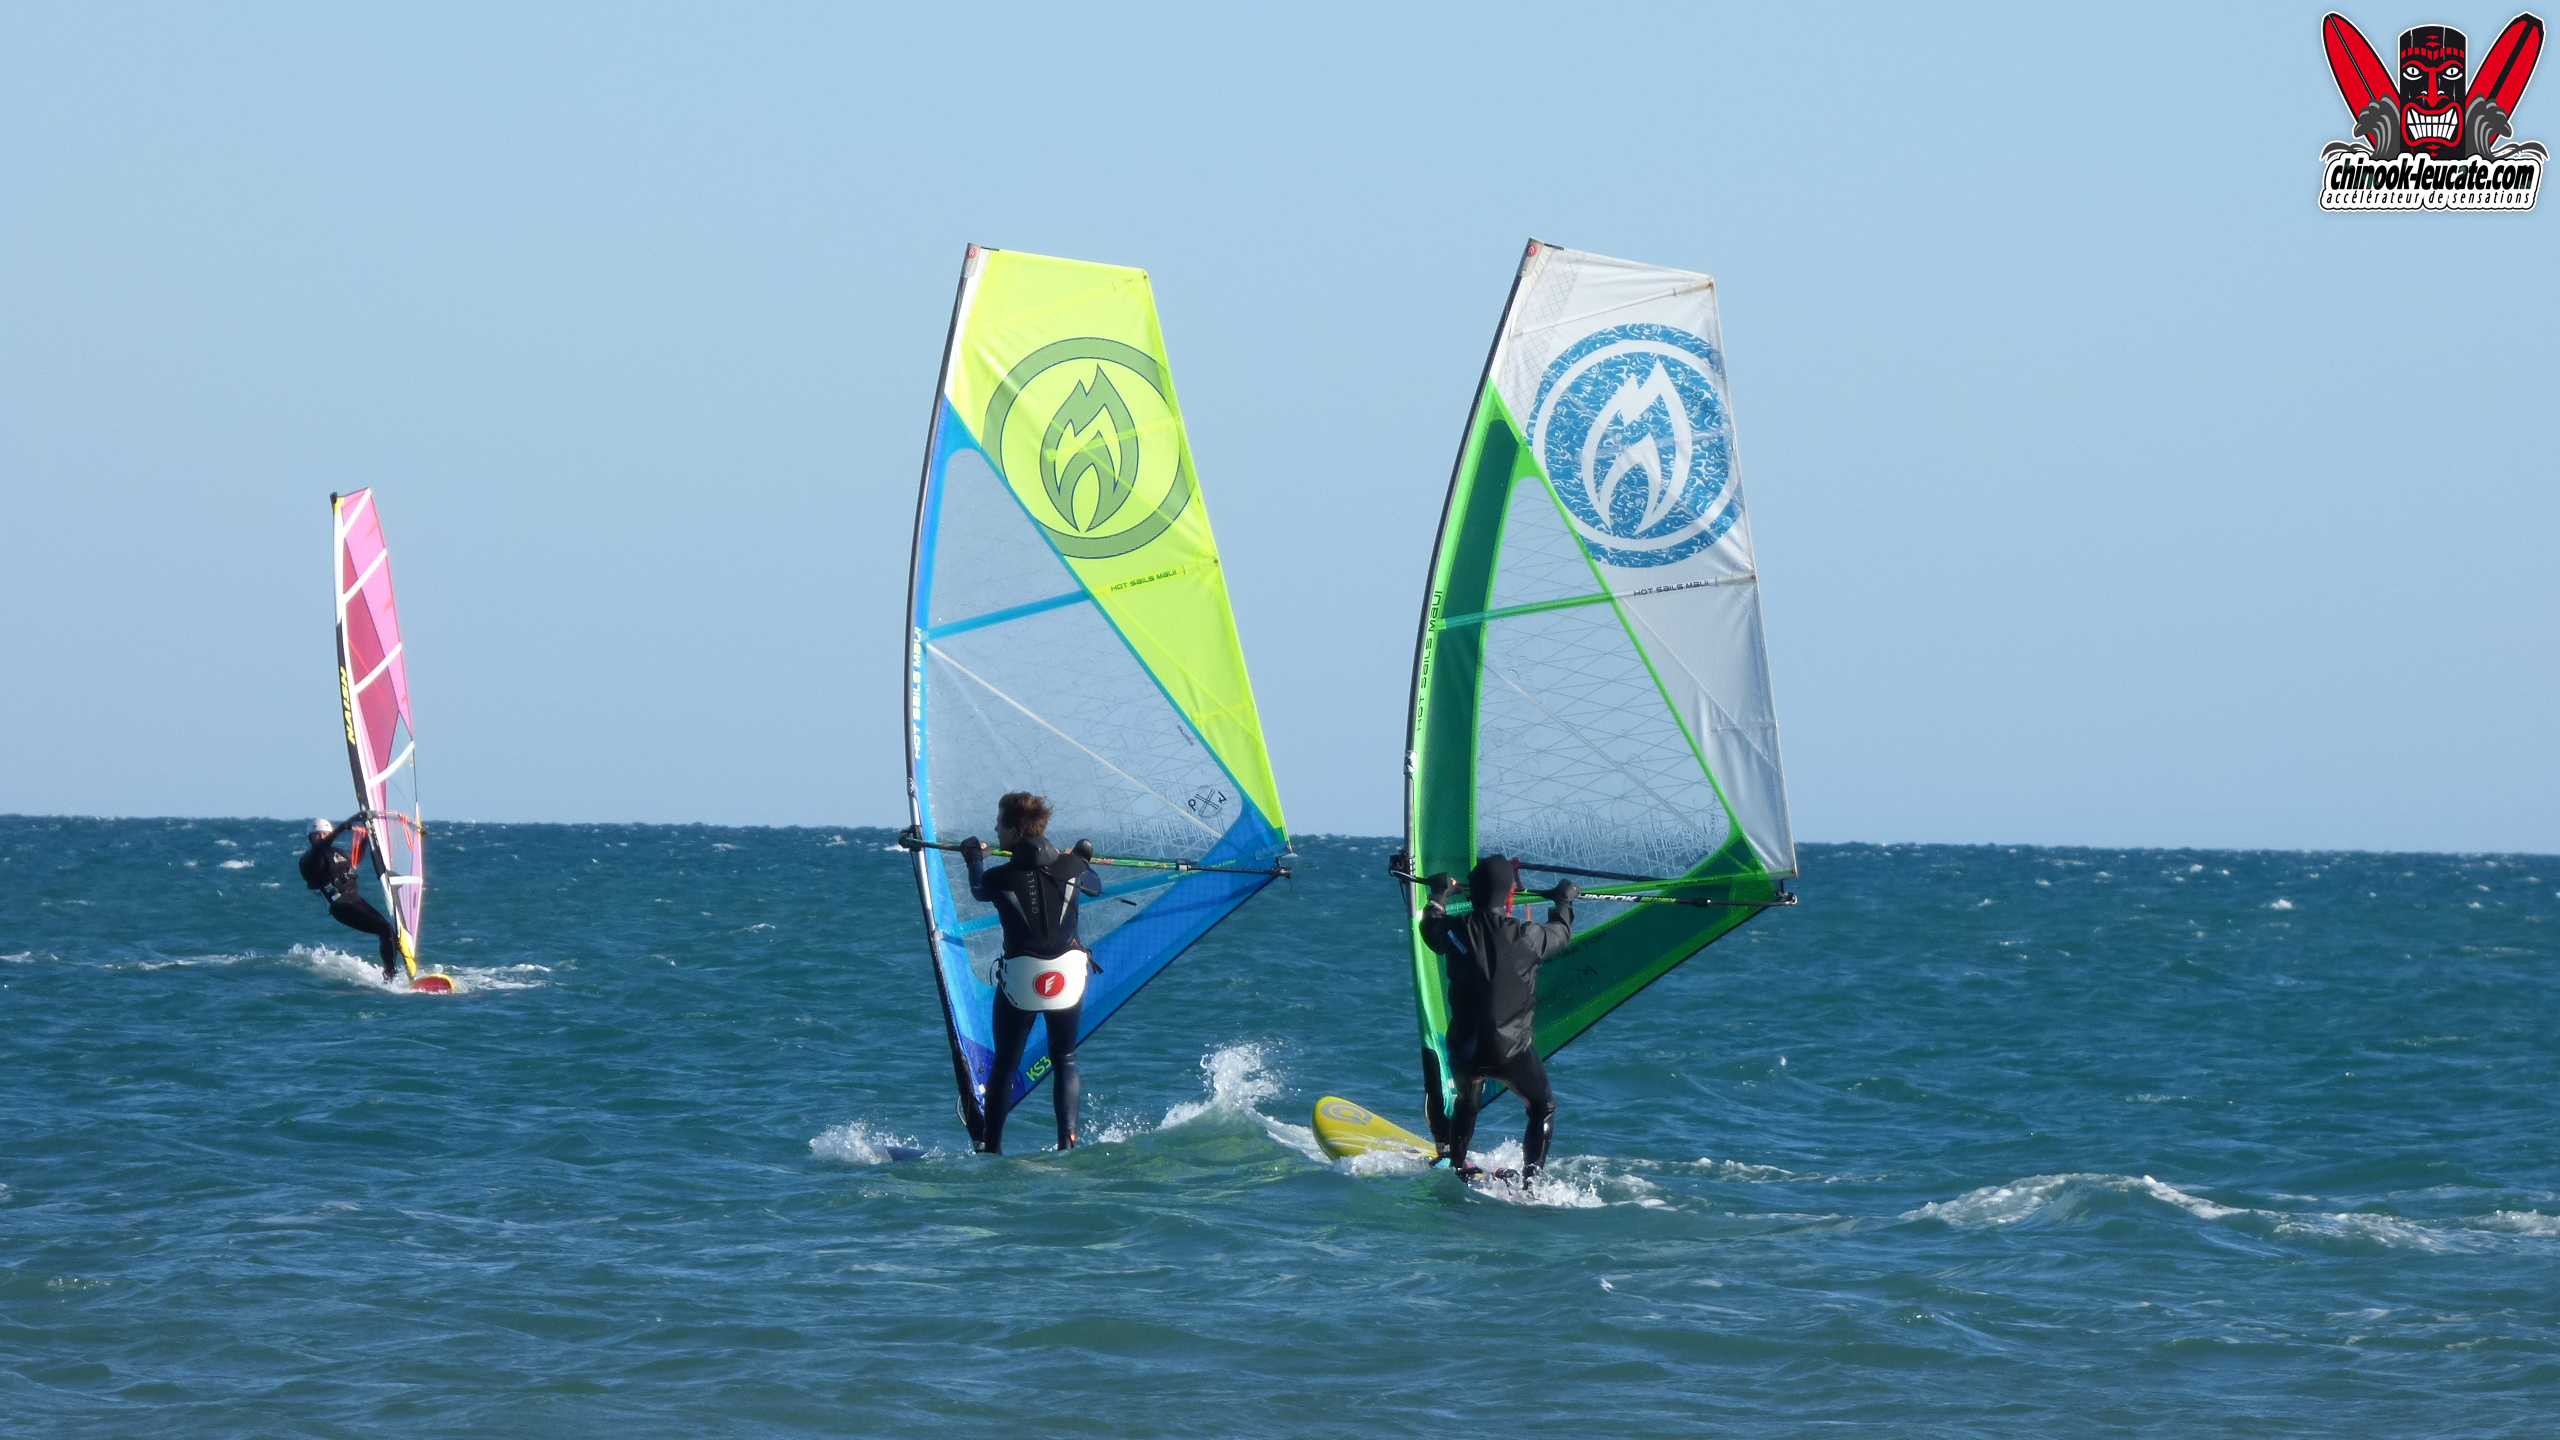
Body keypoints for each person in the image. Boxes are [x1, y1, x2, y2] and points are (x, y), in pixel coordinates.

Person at [1418, 855, 1578, 1182]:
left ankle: (1457, 1165)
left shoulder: (1455, 931)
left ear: (1471, 893)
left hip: (1465, 1050)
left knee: (1467, 1101)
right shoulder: (1528, 936)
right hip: (1511, 1052)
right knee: (1542, 1107)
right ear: (1508, 897)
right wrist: (1564, 901)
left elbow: (1430, 926)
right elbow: (1562, 933)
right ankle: (1531, 1182)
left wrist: (1439, 893)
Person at [960, 791, 1103, 1154]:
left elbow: (978, 889)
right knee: (1064, 1057)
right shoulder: (1074, 869)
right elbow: (1096, 886)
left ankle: (991, 1148)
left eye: (999, 823)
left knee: (1005, 1065)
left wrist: (973, 857)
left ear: (1014, 831)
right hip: (1067, 979)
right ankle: (1067, 1141)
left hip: (1023, 982)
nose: (995, 828)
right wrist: (1081, 856)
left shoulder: (999, 876)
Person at [299, 813, 404, 982]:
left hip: (355, 900)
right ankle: (390, 977)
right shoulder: (309, 860)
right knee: (384, 930)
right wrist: (343, 827)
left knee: (390, 932)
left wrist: (367, 837)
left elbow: (353, 862)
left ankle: (401, 970)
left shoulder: (337, 853)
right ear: (310, 838)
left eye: (324, 834)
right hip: (341, 906)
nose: (321, 837)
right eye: (317, 835)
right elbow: (322, 846)